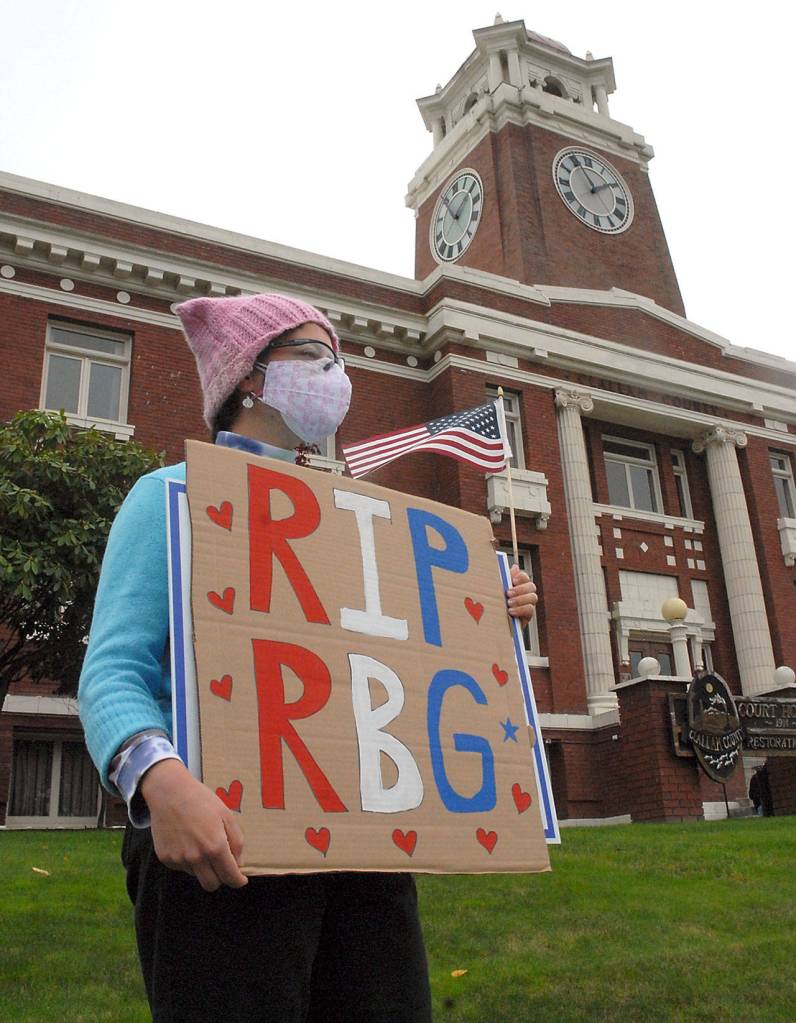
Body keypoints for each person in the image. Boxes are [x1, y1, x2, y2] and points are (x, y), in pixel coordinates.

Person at [78, 292, 539, 1023]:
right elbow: (112, 671)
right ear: (251, 378)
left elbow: (395, 667)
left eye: (340, 360)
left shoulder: (359, 523)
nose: (338, 377)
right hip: (219, 849)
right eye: (315, 358)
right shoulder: (167, 495)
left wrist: (484, 615)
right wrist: (162, 784)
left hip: (363, 855)